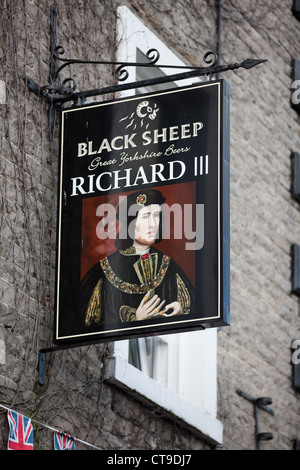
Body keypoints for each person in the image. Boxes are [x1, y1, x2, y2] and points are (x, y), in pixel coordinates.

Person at [80, 189, 194, 329]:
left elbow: (195, 308)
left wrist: (180, 308)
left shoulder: (168, 266)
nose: (153, 224)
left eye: (157, 215)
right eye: (145, 216)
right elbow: (88, 325)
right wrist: (136, 319)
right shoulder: (104, 270)